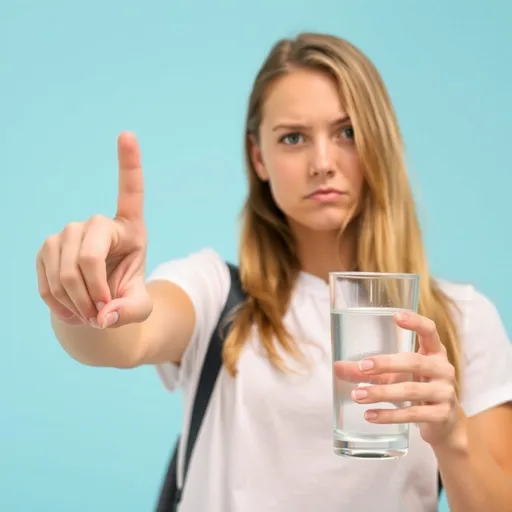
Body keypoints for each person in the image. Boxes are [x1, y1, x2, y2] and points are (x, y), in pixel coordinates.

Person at [36, 32, 512, 512]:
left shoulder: (460, 320)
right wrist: (89, 298)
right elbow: (125, 339)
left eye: (347, 132)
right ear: (258, 157)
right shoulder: (215, 294)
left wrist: (453, 436)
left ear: (381, 141)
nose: (322, 164)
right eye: (293, 138)